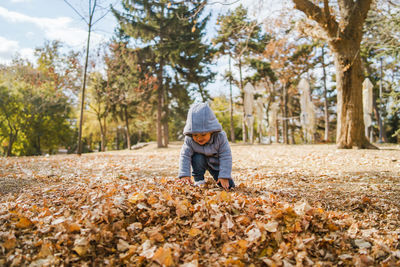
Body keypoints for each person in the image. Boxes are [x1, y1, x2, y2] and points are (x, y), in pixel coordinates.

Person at [178, 103, 235, 190]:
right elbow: (184, 155)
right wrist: (184, 174)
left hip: (216, 165)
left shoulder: (220, 137)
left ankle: (221, 178)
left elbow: (226, 156)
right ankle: (199, 180)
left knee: (229, 186)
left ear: (211, 131)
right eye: (195, 135)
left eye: (203, 134)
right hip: (199, 162)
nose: (199, 138)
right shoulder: (189, 140)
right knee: (197, 157)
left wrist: (224, 176)